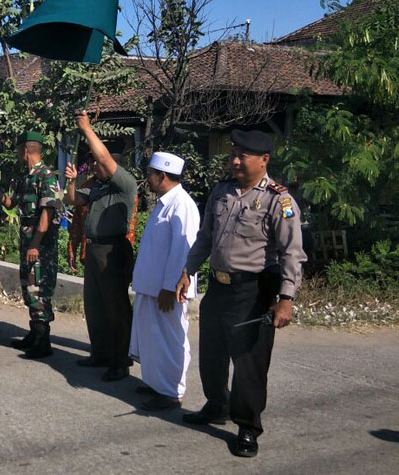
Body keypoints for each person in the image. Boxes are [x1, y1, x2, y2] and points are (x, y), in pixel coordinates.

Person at [178, 130, 306, 458]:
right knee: (212, 354)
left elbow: (292, 253)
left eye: (242, 156)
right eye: (233, 155)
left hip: (254, 291)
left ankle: (248, 426)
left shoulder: (279, 200)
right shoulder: (222, 191)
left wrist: (286, 299)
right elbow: (205, 236)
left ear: (264, 160)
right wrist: (187, 270)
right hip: (218, 287)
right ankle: (216, 405)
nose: (234, 161)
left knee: (248, 363)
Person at [62, 110, 138, 381]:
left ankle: (120, 360)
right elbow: (72, 200)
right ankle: (101, 353)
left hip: (112, 250)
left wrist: (86, 129)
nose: (95, 165)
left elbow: (105, 158)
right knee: (95, 306)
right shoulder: (97, 187)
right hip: (94, 250)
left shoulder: (124, 185)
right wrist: (72, 182)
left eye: (98, 162)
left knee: (116, 308)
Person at [129, 152, 200, 411]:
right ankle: (156, 383)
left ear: (163, 176)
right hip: (151, 287)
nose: (147, 178)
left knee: (170, 340)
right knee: (151, 338)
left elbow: (183, 249)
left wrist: (171, 287)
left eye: (150, 174)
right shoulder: (164, 202)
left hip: (168, 290)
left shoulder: (182, 204)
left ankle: (171, 392)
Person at [0, 132, 63, 359]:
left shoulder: (45, 176)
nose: (18, 154)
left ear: (25, 150)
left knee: (39, 288)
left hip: (40, 243)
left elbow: (47, 213)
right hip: (28, 240)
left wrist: (35, 245)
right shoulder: (26, 178)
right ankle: (34, 333)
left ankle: (43, 341)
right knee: (29, 286)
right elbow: (10, 203)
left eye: (19, 150)